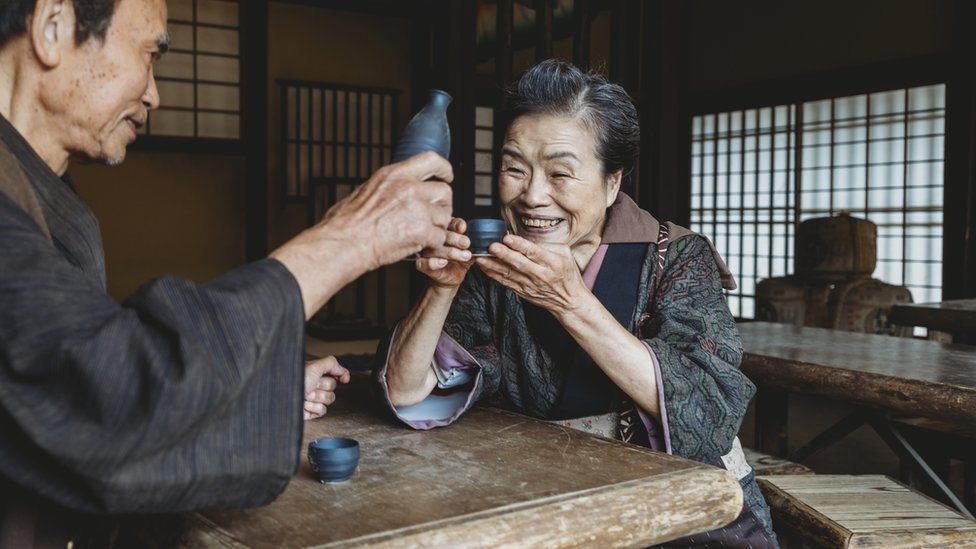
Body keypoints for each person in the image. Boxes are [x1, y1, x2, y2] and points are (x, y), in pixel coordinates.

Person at [0, 0, 466, 543]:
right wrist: (351, 237)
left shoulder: (38, 190)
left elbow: (62, 378)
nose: (154, 93)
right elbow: (109, 396)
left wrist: (249, 386)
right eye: (149, 53)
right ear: (52, 27)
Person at [374, 59, 779, 547]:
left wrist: (571, 303)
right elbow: (408, 392)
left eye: (560, 173)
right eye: (513, 169)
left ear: (613, 183)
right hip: (542, 501)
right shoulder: (493, 264)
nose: (533, 196)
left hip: (682, 508)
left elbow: (707, 412)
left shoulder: (677, 256)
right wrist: (442, 288)